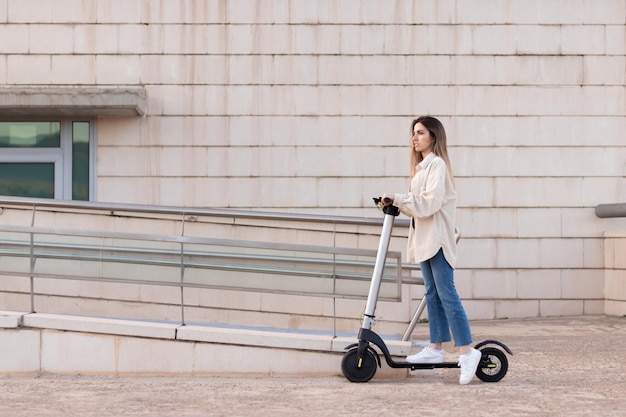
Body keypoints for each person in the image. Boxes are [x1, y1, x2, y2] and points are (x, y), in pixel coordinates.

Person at [382, 116, 481, 385]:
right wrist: (396, 202)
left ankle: (468, 352)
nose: (414, 138)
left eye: (420, 133)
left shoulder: (436, 165)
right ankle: (435, 348)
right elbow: (418, 205)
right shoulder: (422, 169)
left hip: (437, 240)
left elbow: (429, 203)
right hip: (425, 241)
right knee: (432, 294)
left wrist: (400, 199)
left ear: (433, 137)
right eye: (413, 133)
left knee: (447, 294)